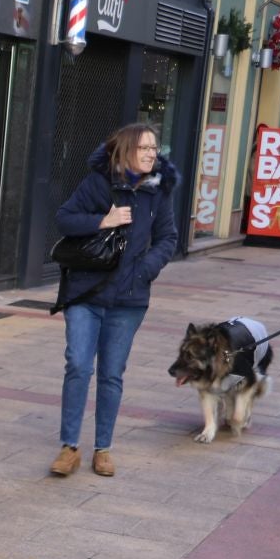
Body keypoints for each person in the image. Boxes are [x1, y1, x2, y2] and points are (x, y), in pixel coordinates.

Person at [48, 124, 180, 477]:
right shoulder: (99, 183)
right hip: (86, 292)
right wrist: (102, 220)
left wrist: (144, 270)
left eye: (155, 147)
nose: (153, 153)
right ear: (125, 150)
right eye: (144, 147)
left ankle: (103, 449)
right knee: (78, 364)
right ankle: (69, 446)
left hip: (129, 299)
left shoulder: (159, 191)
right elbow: (64, 219)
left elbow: (168, 238)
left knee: (111, 374)